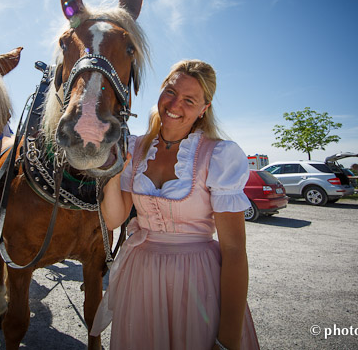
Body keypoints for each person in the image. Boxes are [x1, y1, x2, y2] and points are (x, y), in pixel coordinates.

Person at [90, 59, 259, 349]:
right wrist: (111, 172)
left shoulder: (218, 155)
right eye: (170, 91)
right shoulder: (135, 147)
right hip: (140, 276)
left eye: (189, 100)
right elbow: (113, 220)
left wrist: (228, 339)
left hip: (197, 279)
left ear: (204, 109)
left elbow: (233, 250)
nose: (175, 104)